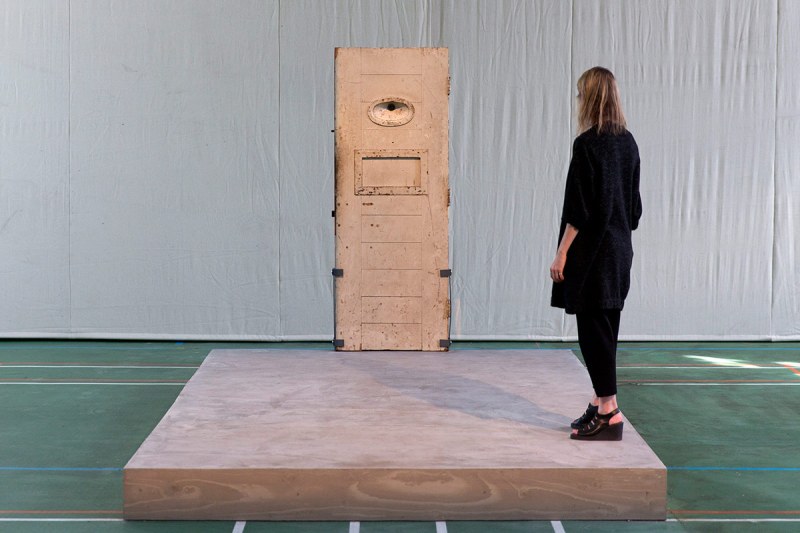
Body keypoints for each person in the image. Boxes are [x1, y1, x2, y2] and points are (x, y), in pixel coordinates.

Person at [550, 67, 642, 441]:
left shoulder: (586, 144)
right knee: (608, 331)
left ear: (589, 98)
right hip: (620, 250)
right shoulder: (629, 142)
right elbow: (634, 210)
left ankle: (609, 413)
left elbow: (579, 210)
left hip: (592, 255)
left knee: (592, 332)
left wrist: (561, 254)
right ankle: (599, 400)